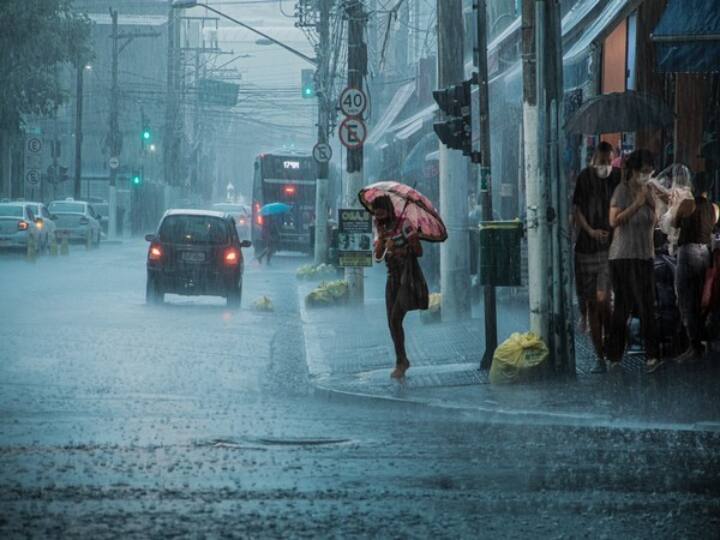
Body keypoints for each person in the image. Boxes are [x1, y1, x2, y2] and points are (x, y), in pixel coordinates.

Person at [607, 149, 662, 373]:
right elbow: (613, 221)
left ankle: (652, 357)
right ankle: (614, 355)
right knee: (624, 307)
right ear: (635, 171)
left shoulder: (649, 190)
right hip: (623, 256)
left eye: (650, 171)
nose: (647, 175)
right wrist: (637, 204)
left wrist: (653, 202)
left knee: (648, 306)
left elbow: (656, 220)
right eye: (644, 171)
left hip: (645, 255)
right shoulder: (622, 190)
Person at [571, 141, 620, 373]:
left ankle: (611, 345)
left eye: (609, 162)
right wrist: (590, 231)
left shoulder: (618, 177)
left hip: (609, 249)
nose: (606, 166)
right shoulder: (584, 178)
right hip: (586, 248)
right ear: (594, 160)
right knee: (592, 303)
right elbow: (577, 210)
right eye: (602, 162)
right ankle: (599, 355)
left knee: (604, 300)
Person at [372, 195, 426, 380]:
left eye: (381, 214)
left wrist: (397, 248)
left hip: (406, 278)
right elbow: (378, 257)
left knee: (395, 319)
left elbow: (418, 251)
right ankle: (401, 359)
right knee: (392, 323)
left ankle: (401, 362)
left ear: (388, 211)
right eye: (375, 215)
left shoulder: (405, 225)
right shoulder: (381, 228)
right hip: (391, 279)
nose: (378, 218)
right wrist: (381, 240)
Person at [672, 172, 720, 363]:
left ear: (692, 186)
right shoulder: (715, 208)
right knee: (702, 299)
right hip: (705, 253)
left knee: (686, 298)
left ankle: (694, 346)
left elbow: (675, 223)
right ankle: (701, 342)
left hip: (688, 252)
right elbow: (714, 229)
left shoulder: (687, 204)